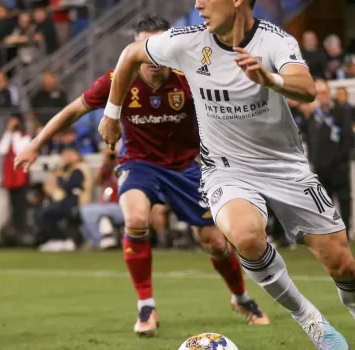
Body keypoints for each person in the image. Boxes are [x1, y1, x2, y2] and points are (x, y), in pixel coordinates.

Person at [96, 2, 355, 349]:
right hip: (226, 168)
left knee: (342, 264)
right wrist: (112, 114)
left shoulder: (274, 41)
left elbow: (307, 87)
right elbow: (131, 54)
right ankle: (311, 320)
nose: (198, 5)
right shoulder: (186, 42)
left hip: (284, 166)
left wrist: (271, 79)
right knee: (247, 238)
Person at [15, 15, 270, 336]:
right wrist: (36, 144)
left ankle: (241, 298)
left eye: (160, 46)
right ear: (134, 49)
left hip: (185, 168)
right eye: (145, 48)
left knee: (215, 242)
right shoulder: (118, 80)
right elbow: (73, 110)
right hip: (139, 164)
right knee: (136, 221)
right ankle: (146, 307)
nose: (153, 56)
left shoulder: (189, 77)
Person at [301, 80, 355, 228]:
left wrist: (344, 160)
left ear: (329, 93)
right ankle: (331, 232)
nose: (322, 96)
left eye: (324, 92)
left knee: (344, 200)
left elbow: (348, 138)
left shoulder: (341, 112)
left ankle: (347, 232)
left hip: (339, 167)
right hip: (320, 168)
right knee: (325, 204)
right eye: (318, 93)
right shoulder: (312, 116)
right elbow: (309, 139)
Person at [37, 146, 92, 252]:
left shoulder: (79, 169)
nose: (66, 158)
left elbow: (69, 186)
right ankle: (58, 240)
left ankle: (62, 240)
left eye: (69, 155)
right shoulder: (73, 169)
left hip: (77, 203)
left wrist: (60, 177)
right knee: (45, 212)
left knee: (47, 213)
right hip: (72, 202)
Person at [0, 114, 31, 237]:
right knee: (13, 205)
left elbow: (19, 150)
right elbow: (1, 150)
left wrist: (15, 134)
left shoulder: (25, 137)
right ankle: (15, 230)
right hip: (10, 175)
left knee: (21, 204)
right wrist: (9, 133)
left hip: (20, 175)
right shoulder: (8, 136)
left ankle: (23, 230)